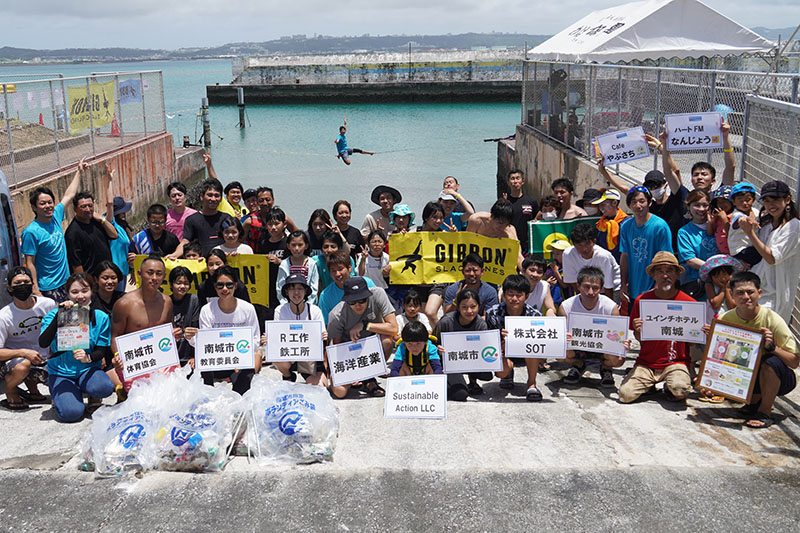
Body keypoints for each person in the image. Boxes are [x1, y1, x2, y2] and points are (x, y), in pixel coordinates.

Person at [714, 271, 799, 428]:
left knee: (770, 361)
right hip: (747, 375)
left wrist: (772, 347)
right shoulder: (726, 319)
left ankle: (765, 412)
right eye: (740, 293)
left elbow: (794, 362)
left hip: (781, 378)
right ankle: (753, 403)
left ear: (759, 294)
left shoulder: (772, 319)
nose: (746, 297)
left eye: (750, 292)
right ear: (731, 295)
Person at [619, 252, 697, 404]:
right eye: (660, 271)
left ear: (677, 275)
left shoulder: (690, 303)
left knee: (680, 389)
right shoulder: (642, 301)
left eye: (669, 271)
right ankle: (649, 386)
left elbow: (692, 344)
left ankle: (670, 386)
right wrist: (637, 329)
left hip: (676, 363)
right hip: (647, 363)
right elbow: (639, 338)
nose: (665, 275)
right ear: (653, 275)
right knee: (625, 395)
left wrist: (698, 333)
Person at [39, 273, 115, 422]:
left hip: (87, 369)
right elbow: (43, 342)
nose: (80, 296)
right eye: (74, 292)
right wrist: (60, 316)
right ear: (67, 294)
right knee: (72, 414)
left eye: (84, 291)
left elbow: (102, 349)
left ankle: (92, 395)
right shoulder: (52, 315)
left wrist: (88, 358)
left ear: (92, 291)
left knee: (104, 387)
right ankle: (62, 394)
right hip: (61, 372)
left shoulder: (101, 317)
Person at [110, 255, 177, 395]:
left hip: (161, 360)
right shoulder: (124, 304)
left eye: (159, 274)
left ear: (164, 276)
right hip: (135, 363)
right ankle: (119, 385)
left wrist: (176, 334)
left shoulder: (167, 302)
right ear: (140, 274)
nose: (154, 278)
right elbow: (115, 336)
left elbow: (169, 332)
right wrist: (118, 356)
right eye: (150, 272)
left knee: (174, 394)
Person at [192, 266, 263, 394]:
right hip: (217, 359)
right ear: (215, 287)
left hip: (240, 360)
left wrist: (240, 358)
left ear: (235, 286)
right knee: (201, 366)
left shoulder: (248, 308)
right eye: (220, 285)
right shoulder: (207, 310)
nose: (225, 289)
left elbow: (255, 338)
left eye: (229, 285)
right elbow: (207, 342)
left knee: (247, 374)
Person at [21, 158, 84, 299]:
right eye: (42, 203)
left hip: (65, 282)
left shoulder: (55, 215)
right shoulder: (31, 232)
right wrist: (35, 290)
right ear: (34, 207)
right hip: (47, 288)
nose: (48, 206)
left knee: (71, 318)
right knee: (54, 320)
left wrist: (79, 171)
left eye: (50, 202)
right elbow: (30, 263)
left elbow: (69, 195)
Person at [327, 277, 398, 398]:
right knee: (340, 392)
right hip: (348, 353)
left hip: (371, 346)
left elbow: (393, 329)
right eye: (352, 302)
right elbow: (336, 349)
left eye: (362, 300)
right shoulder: (336, 315)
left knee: (387, 340)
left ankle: (369, 377)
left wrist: (366, 325)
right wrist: (334, 373)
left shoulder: (378, 294)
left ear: (368, 296)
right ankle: (359, 377)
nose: (358, 305)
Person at [559, 267, 626, 389]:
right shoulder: (566, 306)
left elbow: (617, 336)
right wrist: (564, 338)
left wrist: (622, 343)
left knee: (618, 359)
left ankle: (606, 368)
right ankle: (578, 364)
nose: (590, 292)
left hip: (602, 348)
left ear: (601, 289)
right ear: (578, 286)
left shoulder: (611, 307)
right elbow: (560, 334)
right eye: (586, 287)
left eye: (595, 288)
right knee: (560, 352)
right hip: (577, 346)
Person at [743, 180, 800, 323]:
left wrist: (750, 233)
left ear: (787, 199)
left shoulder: (793, 227)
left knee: (768, 337)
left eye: (775, 200)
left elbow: (772, 258)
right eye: (767, 201)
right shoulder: (767, 223)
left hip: (776, 295)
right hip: (757, 288)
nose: (770, 205)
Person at [0, 267, 56, 411]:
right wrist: (23, 352)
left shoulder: (48, 304)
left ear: (32, 284)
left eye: (26, 282)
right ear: (9, 288)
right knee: (23, 365)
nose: (22, 285)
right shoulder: (4, 316)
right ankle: (11, 390)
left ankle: (32, 387)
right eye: (17, 283)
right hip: (16, 362)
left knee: (67, 386)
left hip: (45, 359)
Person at [485, 274, 544, 400]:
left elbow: (543, 344)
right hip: (504, 351)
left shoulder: (535, 316)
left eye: (519, 295)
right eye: (510, 294)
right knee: (501, 372)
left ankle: (532, 383)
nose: (514, 298)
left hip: (526, 354)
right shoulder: (493, 313)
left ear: (526, 296)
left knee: (532, 346)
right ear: (504, 295)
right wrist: (501, 339)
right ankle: (507, 375)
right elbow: (488, 344)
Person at [272, 273, 328, 386]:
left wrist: (324, 336)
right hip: (290, 356)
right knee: (275, 356)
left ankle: (313, 375)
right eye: (292, 288)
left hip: (310, 358)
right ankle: (288, 375)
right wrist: (270, 338)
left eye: (300, 288)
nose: (296, 292)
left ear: (306, 291)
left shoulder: (314, 310)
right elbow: (277, 338)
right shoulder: (280, 310)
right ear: (286, 292)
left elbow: (321, 336)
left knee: (319, 387)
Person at [619, 186, 673, 305]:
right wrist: (623, 284)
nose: (638, 206)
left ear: (650, 202)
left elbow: (666, 259)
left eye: (642, 201)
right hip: (633, 291)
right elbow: (625, 255)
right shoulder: (625, 226)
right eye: (634, 202)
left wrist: (658, 285)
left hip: (656, 292)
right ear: (629, 205)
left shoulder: (660, 226)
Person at [433, 289, 490, 400]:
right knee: (460, 394)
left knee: (487, 373)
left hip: (469, 359)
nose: (469, 311)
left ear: (479, 306)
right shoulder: (446, 321)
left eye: (473, 307)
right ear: (458, 307)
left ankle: (473, 382)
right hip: (448, 363)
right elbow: (431, 343)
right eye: (464, 307)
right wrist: (437, 349)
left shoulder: (481, 324)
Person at [171, 179, 234, 257]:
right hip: (200, 263)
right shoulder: (191, 220)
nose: (213, 199)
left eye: (216, 195)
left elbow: (235, 239)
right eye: (209, 195)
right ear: (201, 197)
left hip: (223, 262)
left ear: (221, 198)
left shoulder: (226, 218)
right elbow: (185, 241)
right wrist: (174, 255)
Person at [677, 190, 719, 299]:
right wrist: (715, 270)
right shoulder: (684, 232)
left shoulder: (719, 226)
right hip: (697, 287)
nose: (701, 209)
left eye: (705, 205)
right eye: (696, 205)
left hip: (721, 283)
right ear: (688, 207)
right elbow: (690, 260)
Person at [64, 191, 119, 275]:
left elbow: (114, 235)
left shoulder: (97, 221)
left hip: (106, 274)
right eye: (83, 206)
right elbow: (76, 264)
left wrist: (102, 220)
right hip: (91, 279)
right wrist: (84, 283)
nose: (88, 209)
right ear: (75, 209)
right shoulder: (73, 233)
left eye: (90, 206)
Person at [561, 222, 620, 299]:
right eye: (579, 245)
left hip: (612, 290)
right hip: (585, 290)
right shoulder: (568, 254)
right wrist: (584, 298)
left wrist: (608, 307)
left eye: (587, 244)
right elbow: (573, 281)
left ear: (594, 241)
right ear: (574, 244)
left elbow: (608, 286)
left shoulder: (603, 256)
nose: (584, 249)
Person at [318, 251, 376, 323]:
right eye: (333, 271)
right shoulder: (325, 295)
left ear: (349, 268)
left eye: (340, 269)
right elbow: (326, 324)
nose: (337, 274)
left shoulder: (367, 283)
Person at [466, 199, 525, 270]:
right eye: (499, 222)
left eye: (505, 224)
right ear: (492, 216)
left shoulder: (509, 232)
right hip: (477, 262)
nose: (502, 227)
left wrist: (526, 272)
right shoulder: (477, 220)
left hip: (496, 266)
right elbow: (467, 243)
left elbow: (518, 256)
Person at [103, 166, 131, 291]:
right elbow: (109, 204)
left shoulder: (123, 226)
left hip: (123, 270)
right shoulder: (111, 224)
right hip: (113, 272)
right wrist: (109, 181)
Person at [257, 207, 290, 309]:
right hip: (268, 286)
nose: (273, 227)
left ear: (284, 225)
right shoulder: (263, 243)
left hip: (284, 284)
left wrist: (280, 261)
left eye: (276, 224)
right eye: (270, 224)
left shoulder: (288, 243)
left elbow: (293, 263)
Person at [276, 230, 319, 305]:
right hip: (288, 305)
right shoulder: (284, 264)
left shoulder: (311, 263)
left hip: (307, 305)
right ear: (288, 246)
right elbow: (280, 287)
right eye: (293, 245)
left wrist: (307, 305)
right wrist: (286, 305)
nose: (296, 248)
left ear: (306, 246)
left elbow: (314, 287)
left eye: (300, 245)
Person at [168, 266, 200, 367]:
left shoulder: (194, 300)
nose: (182, 286)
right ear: (171, 285)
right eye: (178, 283)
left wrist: (196, 356)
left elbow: (196, 329)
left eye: (186, 283)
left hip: (189, 357)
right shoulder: (165, 302)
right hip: (171, 358)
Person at [503, 169, 539, 254]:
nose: (515, 181)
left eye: (518, 178)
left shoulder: (531, 201)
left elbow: (537, 217)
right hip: (509, 242)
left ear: (523, 181)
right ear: (508, 182)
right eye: (512, 179)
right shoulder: (504, 202)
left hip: (527, 245)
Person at [700, 254, 742, 324]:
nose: (722, 278)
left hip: (731, 320)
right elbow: (715, 304)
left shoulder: (735, 286)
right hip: (713, 320)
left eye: (725, 274)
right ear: (711, 277)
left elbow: (732, 306)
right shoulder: (709, 285)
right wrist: (723, 288)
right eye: (717, 275)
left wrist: (728, 288)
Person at [727, 182, 761, 267]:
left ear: (753, 199)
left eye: (747, 199)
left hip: (751, 246)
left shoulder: (756, 212)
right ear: (734, 202)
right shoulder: (736, 214)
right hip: (739, 250)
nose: (745, 203)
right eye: (740, 200)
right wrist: (748, 219)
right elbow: (741, 219)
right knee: (760, 256)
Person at [590, 188, 628, 261]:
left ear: (614, 203)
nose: (601, 208)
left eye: (603, 204)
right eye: (599, 205)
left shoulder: (627, 224)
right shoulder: (600, 225)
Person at [314, 230, 356, 294]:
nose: (329, 250)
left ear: (339, 248)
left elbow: (351, 279)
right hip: (326, 296)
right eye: (325, 247)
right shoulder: (316, 261)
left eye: (333, 247)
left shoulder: (348, 260)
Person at [707, 185, 734, 256]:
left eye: (724, 201)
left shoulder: (734, 216)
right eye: (719, 202)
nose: (721, 205)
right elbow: (710, 233)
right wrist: (710, 223)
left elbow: (731, 234)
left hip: (733, 252)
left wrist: (725, 219)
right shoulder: (718, 216)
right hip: (722, 253)